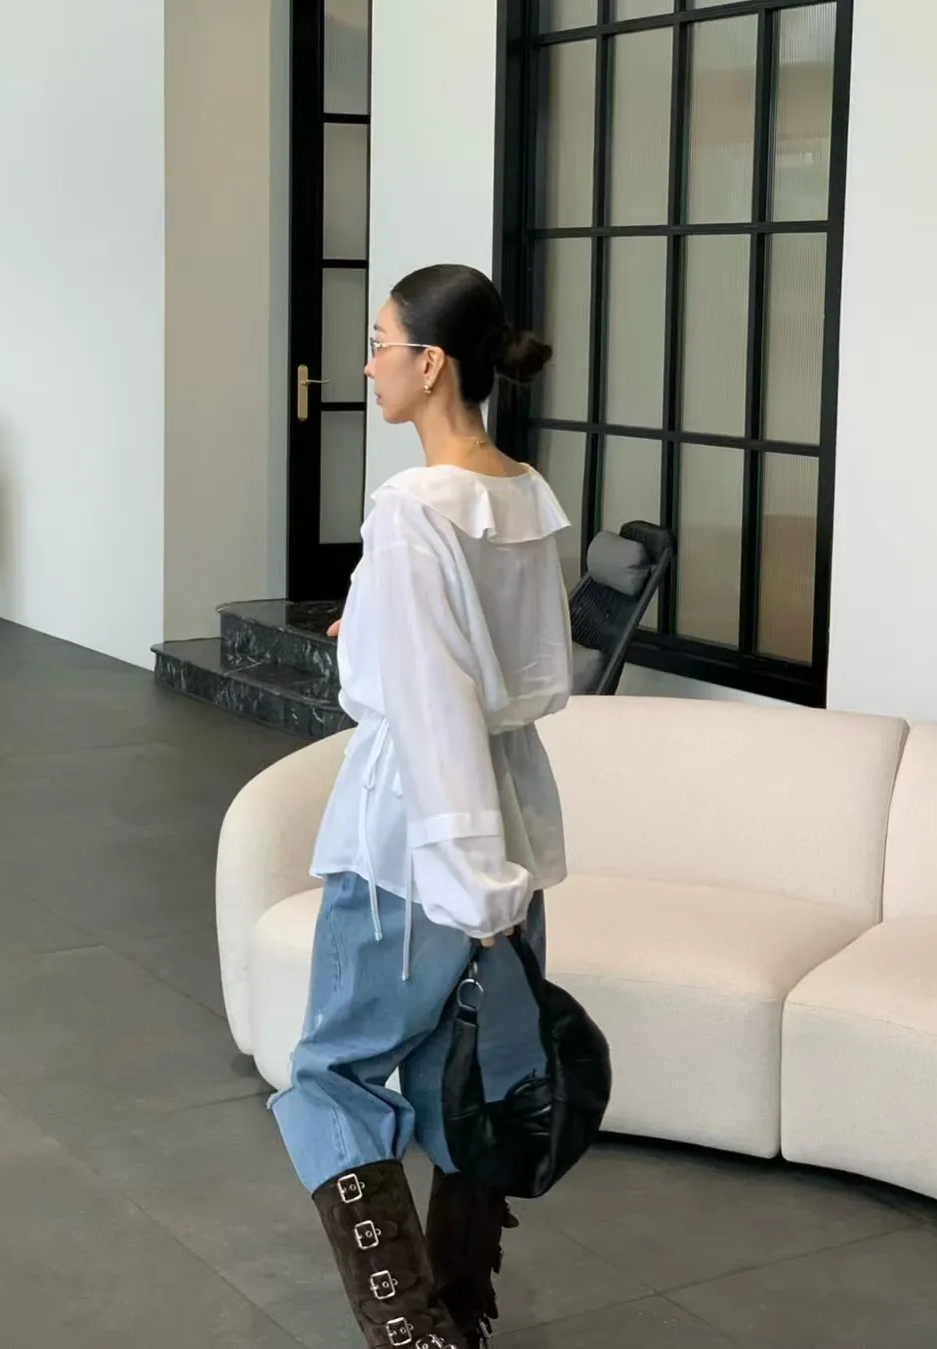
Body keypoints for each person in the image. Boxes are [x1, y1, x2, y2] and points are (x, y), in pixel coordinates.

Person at [269, 264, 573, 1349]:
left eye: (379, 343)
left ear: (431, 363)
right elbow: (512, 666)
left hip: (417, 840)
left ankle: (412, 1332)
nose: (367, 366)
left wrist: (470, 882)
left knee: (332, 1075)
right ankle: (460, 1309)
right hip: (513, 824)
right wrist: (376, 633)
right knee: (468, 1074)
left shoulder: (412, 506)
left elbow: (435, 707)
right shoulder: (523, 493)